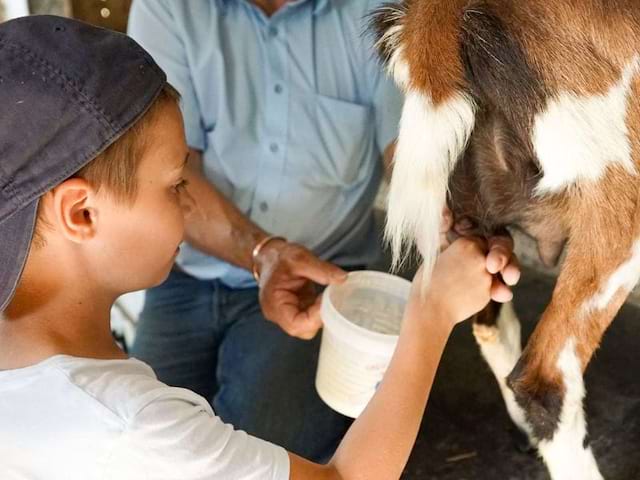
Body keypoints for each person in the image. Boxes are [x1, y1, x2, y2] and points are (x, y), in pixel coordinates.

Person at [0, 15, 520, 480]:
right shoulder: (134, 427)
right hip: (193, 278)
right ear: (81, 213)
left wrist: (440, 217)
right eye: (178, 184)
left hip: (313, 277)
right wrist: (429, 313)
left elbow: (405, 146)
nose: (188, 201)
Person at [125, 0, 405, 460]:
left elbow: (410, 154)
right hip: (183, 275)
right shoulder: (169, 8)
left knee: (259, 457)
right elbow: (165, 177)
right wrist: (264, 253)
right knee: (136, 448)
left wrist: (449, 215)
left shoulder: (377, 9)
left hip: (316, 287)